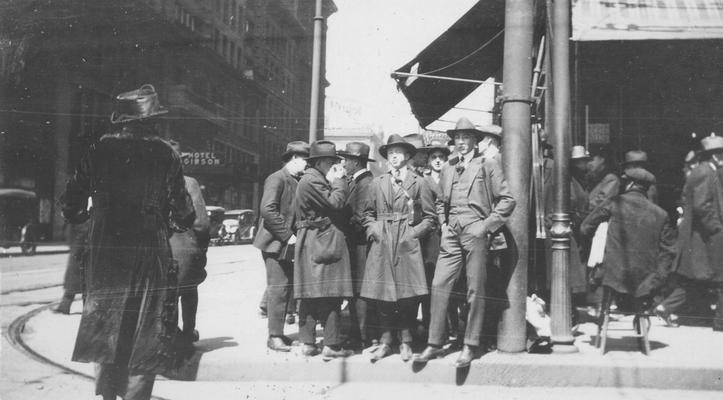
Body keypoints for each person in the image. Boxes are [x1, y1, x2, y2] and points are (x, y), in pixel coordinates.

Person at [62, 84, 195, 400]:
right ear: (152, 121)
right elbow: (185, 212)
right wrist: (169, 221)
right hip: (149, 252)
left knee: (104, 323)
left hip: (105, 253)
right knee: (147, 329)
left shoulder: (97, 151)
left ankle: (107, 394)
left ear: (120, 120)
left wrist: (90, 220)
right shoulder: (166, 153)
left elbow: (70, 203)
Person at [415, 117, 516, 368]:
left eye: (466, 138)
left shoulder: (488, 164)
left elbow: (507, 200)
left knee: (475, 289)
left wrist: (485, 226)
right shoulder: (449, 167)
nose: (461, 143)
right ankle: (435, 343)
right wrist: (444, 221)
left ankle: (470, 345)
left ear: (475, 141)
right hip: (452, 232)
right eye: (458, 138)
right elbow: (440, 201)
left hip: (476, 229)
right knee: (439, 285)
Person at [360, 134, 435, 362]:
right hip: (383, 242)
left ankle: (406, 341)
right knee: (383, 293)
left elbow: (430, 218)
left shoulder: (419, 182)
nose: (394, 157)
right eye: (391, 153)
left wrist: (412, 234)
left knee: (407, 294)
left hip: (406, 242)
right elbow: (367, 214)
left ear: (408, 156)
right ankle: (385, 342)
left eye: (398, 153)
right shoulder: (377, 182)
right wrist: (374, 230)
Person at [580, 166, 676, 311]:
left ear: (630, 184)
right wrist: (657, 279)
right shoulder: (661, 214)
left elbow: (585, 228)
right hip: (644, 281)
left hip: (612, 276)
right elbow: (668, 251)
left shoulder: (613, 203)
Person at [293, 140, 354, 359]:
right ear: (319, 162)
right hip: (321, 239)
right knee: (330, 294)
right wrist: (339, 181)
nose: (334, 166)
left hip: (313, 239)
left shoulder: (312, 178)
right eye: (330, 162)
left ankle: (308, 343)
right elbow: (335, 203)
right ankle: (331, 345)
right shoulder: (313, 181)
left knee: (311, 294)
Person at [252, 141, 309, 351]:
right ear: (294, 158)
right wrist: (288, 235)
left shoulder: (296, 179)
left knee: (286, 289)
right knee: (278, 289)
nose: (307, 165)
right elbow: (267, 210)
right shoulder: (277, 178)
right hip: (274, 243)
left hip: (285, 243)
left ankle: (280, 334)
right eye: (305, 160)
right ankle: (274, 336)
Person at [674, 135, 723, 331]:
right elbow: (702, 205)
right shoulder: (706, 172)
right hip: (704, 236)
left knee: (700, 277)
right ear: (714, 156)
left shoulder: (704, 170)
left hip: (701, 235)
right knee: (715, 276)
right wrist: (716, 228)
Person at [168, 140, 210, 343]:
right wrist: (200, 248)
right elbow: (201, 224)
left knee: (165, 294)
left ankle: (168, 333)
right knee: (188, 289)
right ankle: (187, 332)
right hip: (182, 247)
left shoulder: (148, 182)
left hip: (155, 249)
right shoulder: (188, 182)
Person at [339, 142, 376, 349]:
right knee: (355, 291)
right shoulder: (357, 181)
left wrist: (341, 225)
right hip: (355, 244)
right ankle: (357, 334)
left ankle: (360, 337)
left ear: (355, 162)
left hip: (360, 245)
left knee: (359, 291)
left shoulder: (366, 183)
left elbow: (361, 218)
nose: (343, 164)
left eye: (346, 160)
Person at [418, 139, 451, 334]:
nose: (438, 161)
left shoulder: (451, 175)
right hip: (430, 237)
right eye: (434, 157)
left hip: (448, 232)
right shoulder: (424, 179)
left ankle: (449, 326)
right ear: (429, 160)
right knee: (430, 280)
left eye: (441, 157)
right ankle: (431, 326)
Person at [54, 219, 89, 314]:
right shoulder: (77, 217)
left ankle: (65, 307)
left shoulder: (80, 217)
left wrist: (76, 249)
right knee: (76, 282)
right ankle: (65, 306)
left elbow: (82, 232)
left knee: (75, 282)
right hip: (77, 250)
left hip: (79, 251)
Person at [586, 145, 620, 212]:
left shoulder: (611, 179)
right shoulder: (593, 178)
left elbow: (599, 202)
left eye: (591, 160)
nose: (588, 164)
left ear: (602, 160)